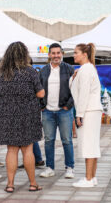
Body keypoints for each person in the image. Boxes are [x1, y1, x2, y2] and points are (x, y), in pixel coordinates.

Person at [0, 41, 45, 193]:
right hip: (27, 114)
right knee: (28, 150)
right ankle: (33, 184)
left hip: (6, 115)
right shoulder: (30, 71)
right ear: (24, 54)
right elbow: (41, 93)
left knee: (11, 150)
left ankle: (10, 184)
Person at [39, 43, 76, 179]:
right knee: (49, 141)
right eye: (53, 53)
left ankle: (69, 167)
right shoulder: (43, 71)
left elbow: (75, 90)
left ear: (62, 54)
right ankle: (49, 167)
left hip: (64, 111)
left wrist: (68, 105)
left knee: (67, 140)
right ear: (49, 55)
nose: (56, 56)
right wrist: (41, 106)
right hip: (47, 111)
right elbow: (37, 90)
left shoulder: (69, 69)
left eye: (58, 53)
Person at [70, 43, 102, 188]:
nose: (74, 55)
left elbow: (83, 94)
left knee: (88, 145)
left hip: (88, 110)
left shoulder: (86, 70)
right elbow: (77, 89)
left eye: (76, 52)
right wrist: (73, 77)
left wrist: (79, 114)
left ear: (84, 54)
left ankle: (88, 179)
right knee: (92, 145)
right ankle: (92, 177)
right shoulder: (87, 69)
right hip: (93, 110)